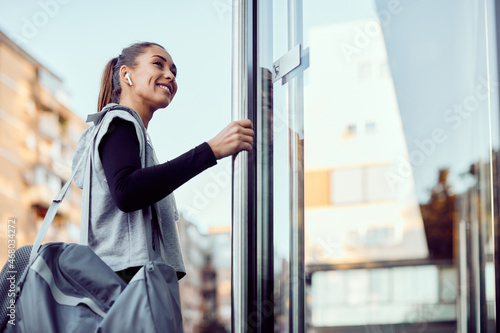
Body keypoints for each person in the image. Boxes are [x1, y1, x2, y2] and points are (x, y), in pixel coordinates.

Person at [71, 42, 254, 283]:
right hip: (127, 284)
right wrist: (211, 150)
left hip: (127, 281)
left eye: (174, 72)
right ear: (127, 74)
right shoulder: (120, 121)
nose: (170, 75)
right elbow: (127, 192)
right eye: (158, 64)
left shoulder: (130, 132)